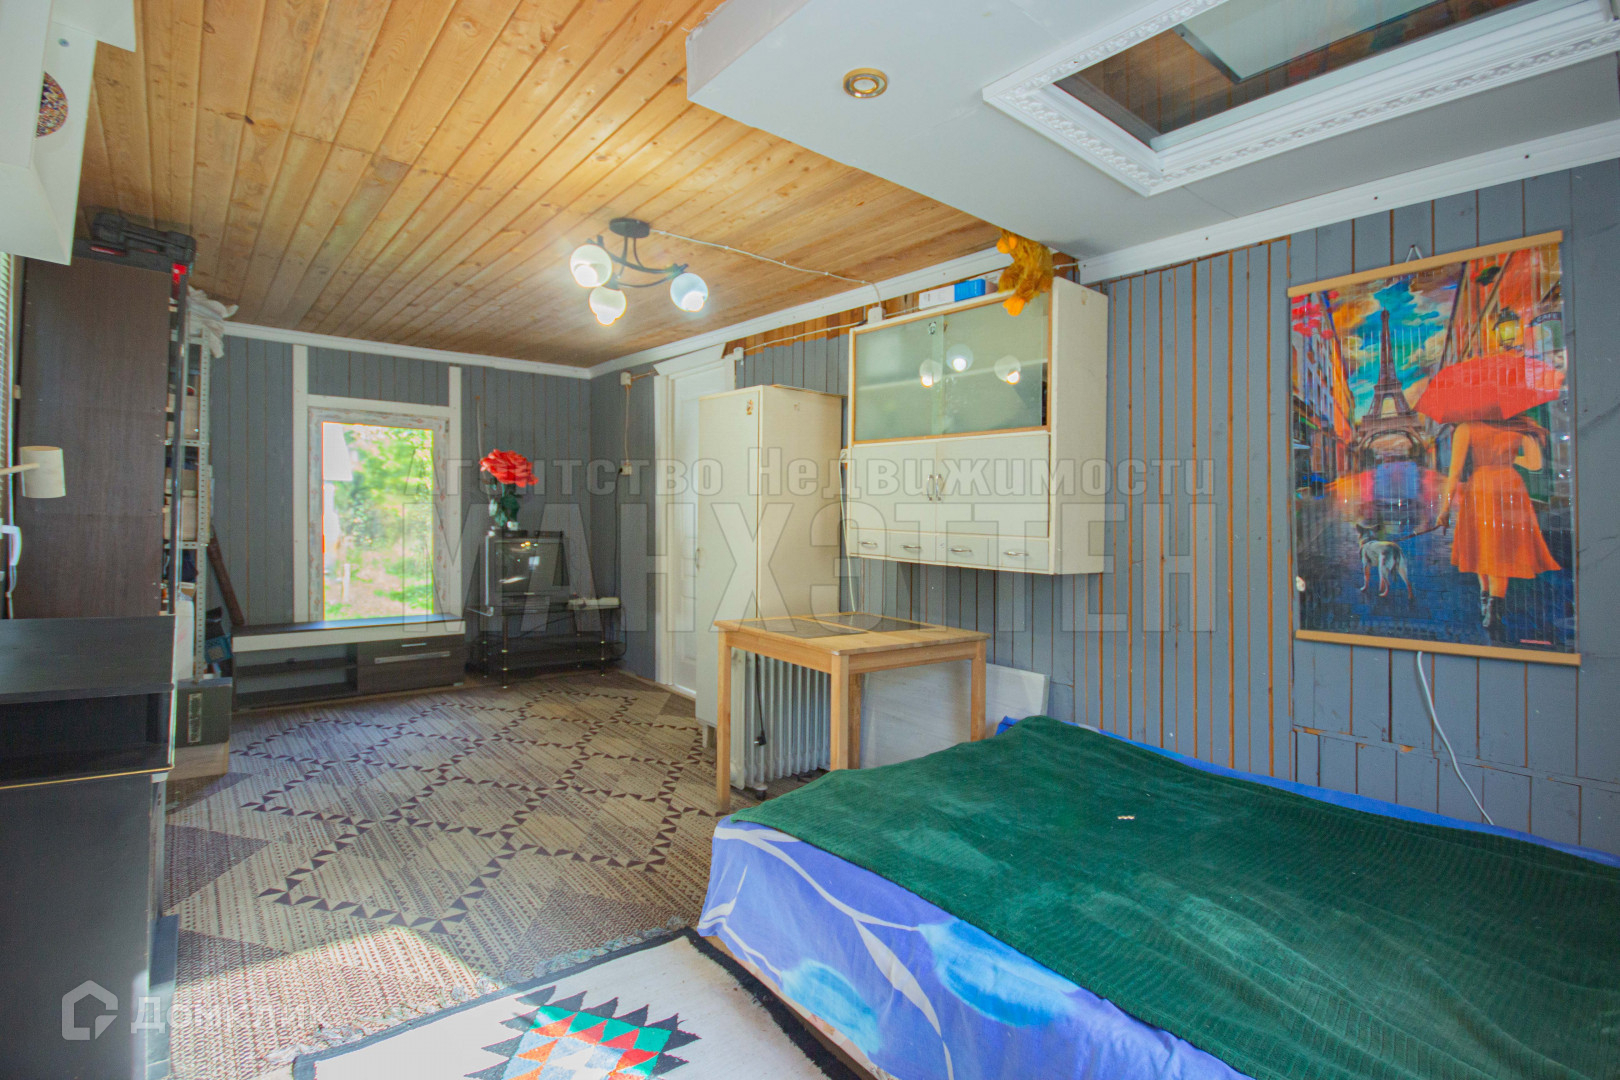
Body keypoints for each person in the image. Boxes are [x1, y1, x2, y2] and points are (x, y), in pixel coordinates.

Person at [1434, 417, 1558, 638]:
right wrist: (1509, 457)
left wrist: (1444, 510)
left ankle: (1487, 600)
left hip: (1480, 487)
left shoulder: (1467, 428)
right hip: (1510, 486)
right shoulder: (1520, 426)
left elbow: (1455, 472)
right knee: (1501, 550)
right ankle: (1494, 607)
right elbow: (1535, 464)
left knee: (1482, 545)